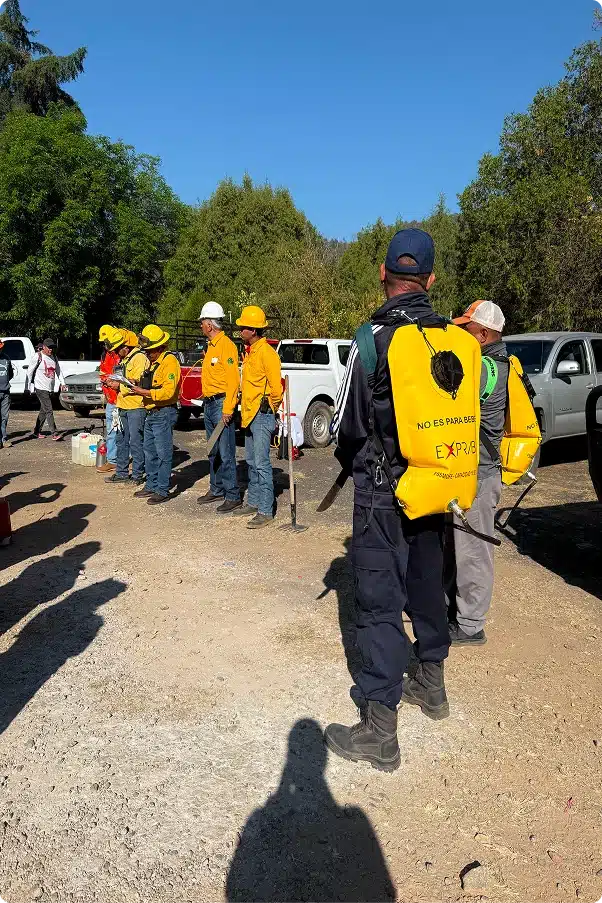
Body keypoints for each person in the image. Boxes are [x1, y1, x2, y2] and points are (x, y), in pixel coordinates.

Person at [324, 228, 454, 772]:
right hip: (438, 482)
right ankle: (431, 684)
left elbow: (347, 424)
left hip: (381, 488)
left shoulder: (372, 336)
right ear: (429, 279)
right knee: (426, 582)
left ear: (383, 274)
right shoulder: (452, 338)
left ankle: (379, 727)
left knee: (378, 598)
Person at [446, 300, 509, 645]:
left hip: (481, 475)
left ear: (483, 335)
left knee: (473, 550)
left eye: (465, 329)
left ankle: (470, 625)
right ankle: (458, 610)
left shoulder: (486, 367)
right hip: (476, 472)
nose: (459, 334)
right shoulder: (496, 361)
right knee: (462, 545)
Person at [233, 305, 283, 529]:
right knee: (252, 462)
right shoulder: (251, 352)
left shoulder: (267, 354)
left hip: (261, 415)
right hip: (250, 414)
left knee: (261, 463)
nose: (241, 330)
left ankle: (265, 509)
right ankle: (254, 502)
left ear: (253, 330)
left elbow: (276, 389)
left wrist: (269, 409)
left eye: (244, 327)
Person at [128, 325, 181, 505]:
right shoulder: (154, 363)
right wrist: (136, 383)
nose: (147, 354)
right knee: (149, 450)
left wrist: (144, 392)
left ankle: (162, 489)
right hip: (152, 412)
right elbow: (151, 383)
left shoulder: (170, 362)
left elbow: (168, 391)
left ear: (160, 348)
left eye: (150, 351)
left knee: (163, 452)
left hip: (163, 412)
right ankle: (151, 484)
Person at [196, 302, 242, 512]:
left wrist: (228, 408)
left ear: (210, 325)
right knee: (212, 450)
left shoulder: (227, 347)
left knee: (226, 451)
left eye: (202, 322)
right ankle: (216, 489)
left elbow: (233, 380)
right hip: (210, 403)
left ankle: (232, 495)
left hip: (222, 404)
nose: (201, 326)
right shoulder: (211, 346)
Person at [104, 331, 148, 486]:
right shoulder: (124, 360)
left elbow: (138, 382)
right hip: (122, 405)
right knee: (121, 440)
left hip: (136, 407)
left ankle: (137, 475)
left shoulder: (139, 358)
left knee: (136, 442)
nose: (116, 353)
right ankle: (122, 473)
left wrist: (118, 384)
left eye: (117, 349)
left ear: (126, 346)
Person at [27, 338, 61, 441]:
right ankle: (54, 433)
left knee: (44, 411)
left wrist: (63, 383)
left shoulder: (54, 357)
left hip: (49, 388)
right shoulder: (38, 356)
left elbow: (59, 371)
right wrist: (29, 387)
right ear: (44, 347)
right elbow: (29, 372)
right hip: (40, 387)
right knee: (49, 409)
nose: (51, 350)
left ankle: (36, 432)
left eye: (52, 348)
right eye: (49, 347)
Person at [97, 325, 120, 473]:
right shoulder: (107, 355)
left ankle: (117, 460)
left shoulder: (119, 355)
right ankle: (113, 460)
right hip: (111, 399)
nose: (105, 345)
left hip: (120, 399)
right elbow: (103, 373)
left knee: (122, 432)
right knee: (112, 430)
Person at [0, 339, 14, 448]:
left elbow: (10, 374)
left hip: (5, 392)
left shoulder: (6, 358)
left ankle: (3, 439)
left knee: (4, 416)